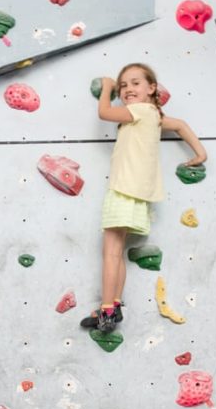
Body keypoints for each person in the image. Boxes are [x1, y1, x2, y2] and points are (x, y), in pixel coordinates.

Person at [81, 63, 207, 333]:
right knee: (116, 253)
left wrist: (107, 88)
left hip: (123, 189)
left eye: (135, 83)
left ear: (152, 88)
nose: (127, 89)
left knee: (111, 253)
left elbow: (104, 112)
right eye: (123, 85)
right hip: (137, 193)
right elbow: (182, 125)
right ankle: (113, 307)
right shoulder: (155, 115)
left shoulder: (139, 111)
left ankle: (106, 312)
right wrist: (200, 153)